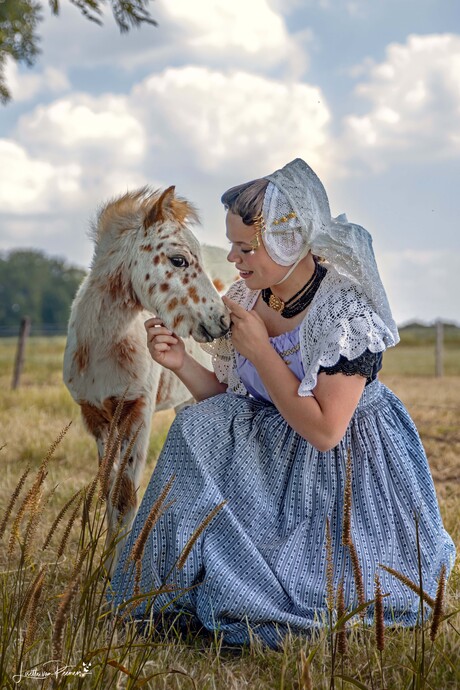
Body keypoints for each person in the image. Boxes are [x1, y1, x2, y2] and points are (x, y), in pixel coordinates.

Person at [108, 158, 455, 648]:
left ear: (288, 242)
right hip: (274, 452)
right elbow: (237, 404)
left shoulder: (344, 311)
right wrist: (182, 363)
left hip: (343, 469)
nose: (232, 258)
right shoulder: (252, 300)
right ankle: (169, 586)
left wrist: (261, 350)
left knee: (322, 585)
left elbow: (325, 432)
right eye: (232, 245)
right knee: (194, 424)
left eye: (245, 247)